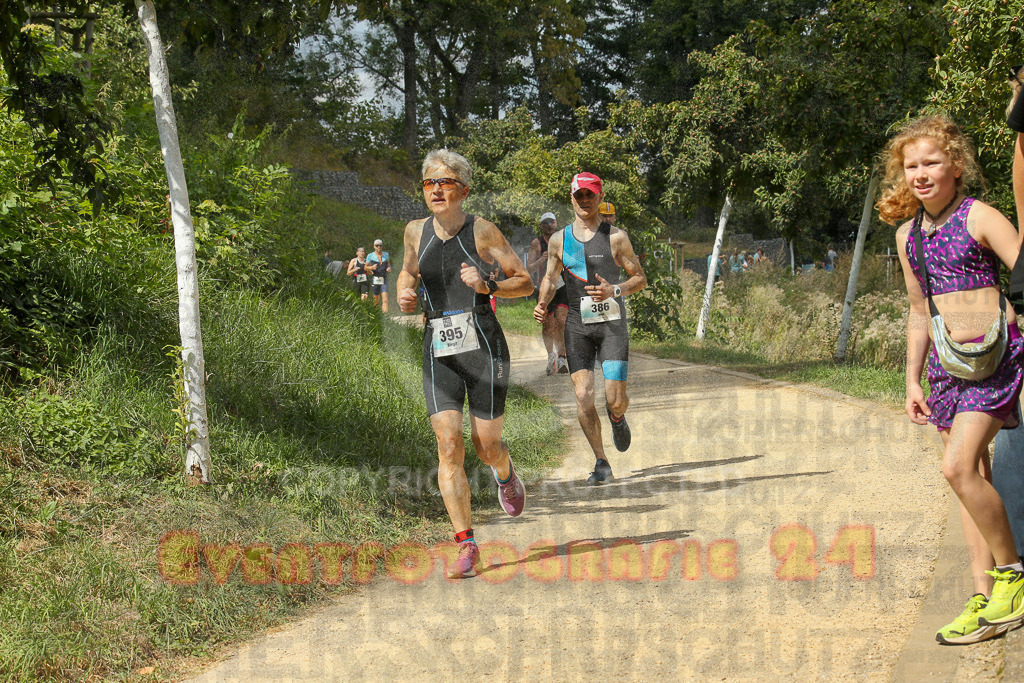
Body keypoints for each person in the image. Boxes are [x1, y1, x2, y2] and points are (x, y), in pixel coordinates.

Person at [881, 115, 1024, 644]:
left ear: (956, 166)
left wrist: (1013, 313)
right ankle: (986, 599)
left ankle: (1012, 577)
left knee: (956, 467)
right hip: (945, 369)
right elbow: (919, 311)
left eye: (932, 162)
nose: (920, 174)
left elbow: (1023, 275)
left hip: (993, 362)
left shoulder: (981, 216)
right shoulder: (907, 237)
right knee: (970, 482)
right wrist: (912, 379)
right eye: (911, 165)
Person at [396, 149, 534, 578]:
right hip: (438, 347)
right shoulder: (414, 232)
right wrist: (404, 290)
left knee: (485, 446)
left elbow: (524, 282)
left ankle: (505, 472)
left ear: (464, 190)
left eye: (446, 182)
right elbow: (408, 273)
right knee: (448, 445)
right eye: (429, 183)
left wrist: (487, 281)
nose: (436, 189)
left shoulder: (483, 231)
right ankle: (466, 544)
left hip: (483, 347)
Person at [533, 172, 647, 484]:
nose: (584, 200)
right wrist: (542, 303)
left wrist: (616, 290)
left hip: (612, 327)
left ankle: (617, 417)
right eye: (579, 195)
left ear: (599, 196)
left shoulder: (616, 237)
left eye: (590, 195)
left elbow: (640, 278)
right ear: (571, 198)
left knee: (614, 399)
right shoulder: (559, 240)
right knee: (583, 395)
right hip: (577, 328)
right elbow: (550, 277)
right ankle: (601, 461)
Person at [526, 212, 569, 375]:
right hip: (544, 287)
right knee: (548, 323)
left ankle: (562, 358)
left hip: (562, 285)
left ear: (556, 223)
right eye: (545, 222)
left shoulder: (563, 240)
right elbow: (529, 268)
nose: (549, 225)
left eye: (552, 222)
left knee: (563, 320)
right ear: (541, 225)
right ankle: (551, 356)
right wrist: (542, 259)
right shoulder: (536, 243)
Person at [366, 239, 392, 312]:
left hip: (384, 278)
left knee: (385, 300)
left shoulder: (386, 254)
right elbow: (365, 267)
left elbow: (388, 264)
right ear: (374, 246)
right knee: (376, 300)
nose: (379, 247)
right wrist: (371, 268)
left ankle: (386, 317)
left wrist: (389, 268)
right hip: (375, 278)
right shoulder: (370, 255)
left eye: (380, 245)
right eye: (377, 246)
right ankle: (376, 315)